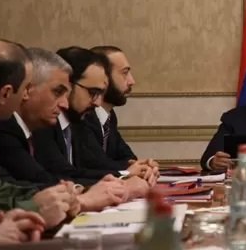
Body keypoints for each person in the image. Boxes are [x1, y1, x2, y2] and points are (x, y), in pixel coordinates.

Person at [0, 48, 130, 211]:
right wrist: (82, 194)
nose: (65, 104)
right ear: (27, 90)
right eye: (57, 92)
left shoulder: (69, 122)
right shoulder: (3, 126)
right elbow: (35, 180)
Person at [33, 47, 155, 198]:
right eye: (93, 92)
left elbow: (84, 169)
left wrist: (138, 169)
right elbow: (61, 173)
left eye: (100, 93)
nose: (97, 103)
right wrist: (124, 175)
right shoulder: (43, 123)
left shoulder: (78, 120)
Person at [0, 38, 79, 228]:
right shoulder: (2, 129)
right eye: (26, 87)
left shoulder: (34, 127)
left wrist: (59, 196)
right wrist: (36, 207)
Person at [85, 46, 139, 166]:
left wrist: (142, 166)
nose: (132, 81)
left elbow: (126, 155)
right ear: (103, 76)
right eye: (125, 73)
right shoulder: (84, 117)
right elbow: (96, 164)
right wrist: (129, 169)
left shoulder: (109, 116)